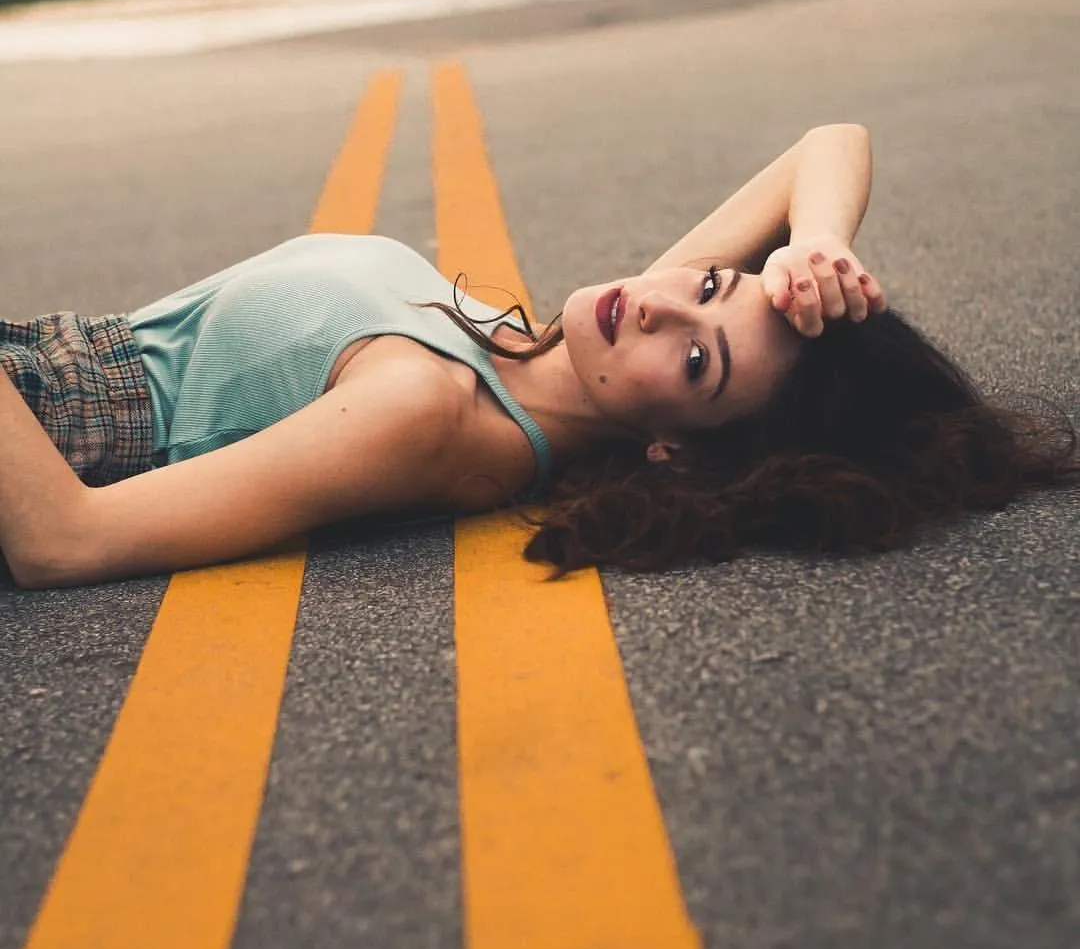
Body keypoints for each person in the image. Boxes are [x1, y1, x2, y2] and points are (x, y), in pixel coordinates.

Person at [1, 123, 1075, 590]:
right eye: (710, 284)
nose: (661, 306)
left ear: (677, 455)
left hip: (49, 420)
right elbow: (828, 143)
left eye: (700, 362)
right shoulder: (565, 355)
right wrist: (815, 248)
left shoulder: (432, 413)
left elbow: (63, 541)